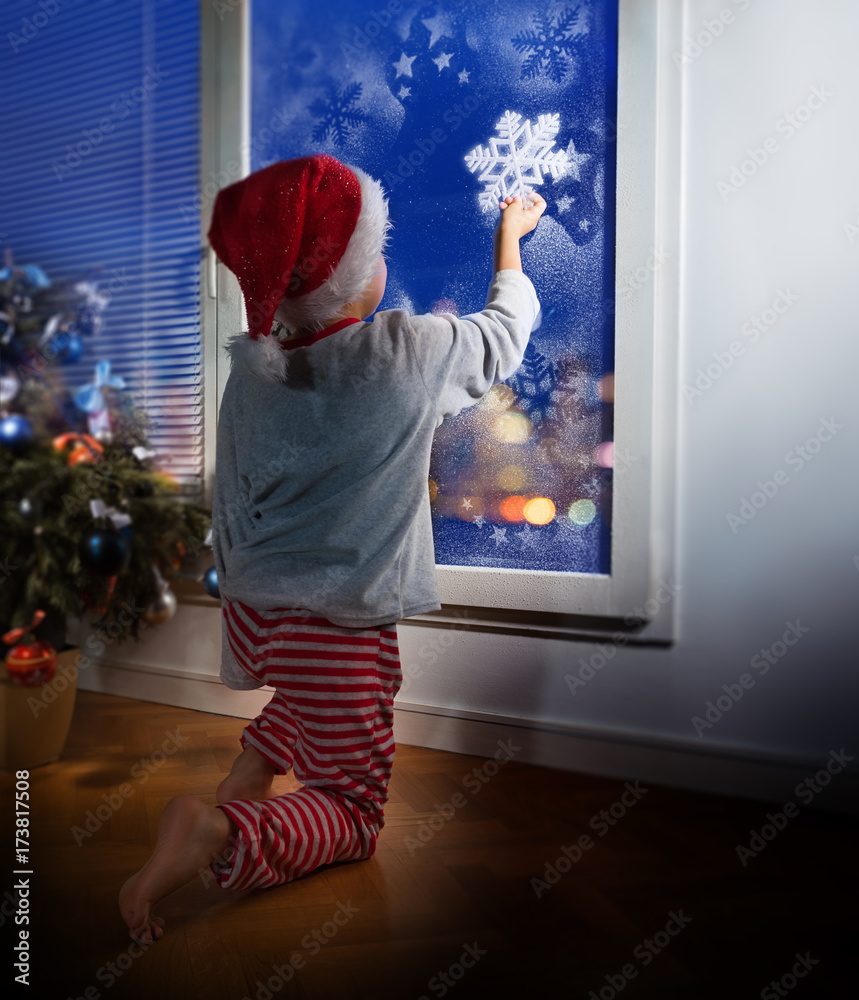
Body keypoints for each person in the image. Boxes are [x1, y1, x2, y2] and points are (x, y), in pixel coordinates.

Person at [119, 154, 545, 945]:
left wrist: (242, 620)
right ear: (359, 276)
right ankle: (223, 836)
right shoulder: (406, 354)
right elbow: (503, 336)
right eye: (374, 249)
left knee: (302, 705)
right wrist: (509, 242)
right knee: (353, 807)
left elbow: (234, 497)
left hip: (264, 611)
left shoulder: (254, 376)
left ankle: (240, 789)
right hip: (344, 622)